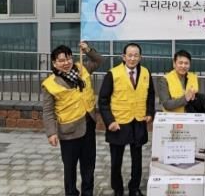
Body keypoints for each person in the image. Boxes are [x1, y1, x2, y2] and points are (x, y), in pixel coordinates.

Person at [41, 41, 103, 196]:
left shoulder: (82, 69)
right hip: (68, 131)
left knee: (89, 165)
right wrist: (51, 133)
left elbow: (99, 61)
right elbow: (48, 111)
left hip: (88, 126)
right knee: (70, 168)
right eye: (61, 60)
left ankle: (88, 193)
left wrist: (87, 49)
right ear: (54, 63)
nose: (66, 63)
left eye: (68, 58)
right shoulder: (50, 84)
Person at [99, 43, 155, 196]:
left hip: (139, 121)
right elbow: (103, 100)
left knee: (137, 159)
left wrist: (150, 112)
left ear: (140, 57)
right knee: (116, 160)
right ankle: (117, 189)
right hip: (118, 122)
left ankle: (134, 188)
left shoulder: (146, 72)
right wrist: (109, 121)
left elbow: (150, 95)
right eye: (129, 55)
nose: (132, 58)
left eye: (136, 55)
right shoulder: (113, 74)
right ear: (123, 57)